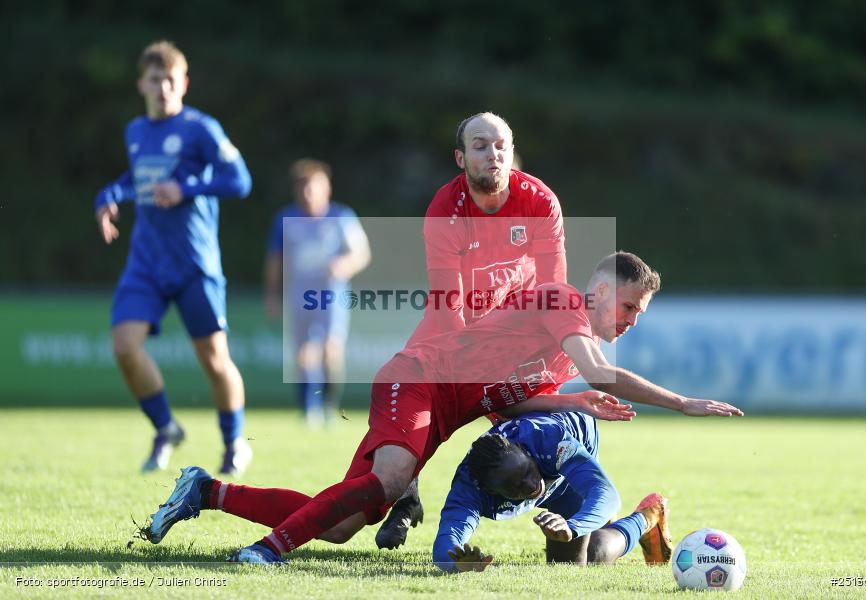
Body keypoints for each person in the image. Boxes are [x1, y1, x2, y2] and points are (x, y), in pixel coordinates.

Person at [141, 251, 743, 564]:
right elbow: (597, 368)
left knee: (350, 523)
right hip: (420, 379)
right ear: (603, 290)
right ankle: (268, 551)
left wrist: (567, 398)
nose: (633, 321)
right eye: (632, 307)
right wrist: (680, 401)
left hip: (443, 407)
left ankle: (207, 492)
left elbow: (502, 400)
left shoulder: (566, 352)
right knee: (392, 479)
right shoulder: (566, 302)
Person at [377, 111, 567, 549]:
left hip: (514, 332)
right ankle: (406, 500)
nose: (494, 153)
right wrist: (471, 366)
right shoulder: (445, 208)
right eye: (481, 146)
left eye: (501, 145)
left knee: (543, 425)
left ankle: (566, 516)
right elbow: (448, 305)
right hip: (451, 326)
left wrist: (523, 352)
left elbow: (552, 290)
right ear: (461, 158)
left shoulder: (539, 200)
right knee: (414, 417)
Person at [93, 40, 253, 475]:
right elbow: (138, 178)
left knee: (213, 359)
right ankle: (166, 429)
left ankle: (234, 440)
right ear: (141, 84)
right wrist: (111, 194)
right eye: (155, 79)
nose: (163, 87)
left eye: (170, 80)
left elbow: (240, 181)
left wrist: (187, 190)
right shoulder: (135, 132)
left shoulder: (201, 128)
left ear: (183, 83)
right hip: (146, 262)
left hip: (194, 263)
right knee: (125, 347)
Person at [434, 411, 670, 573]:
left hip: (573, 452)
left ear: (523, 450)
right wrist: (457, 563)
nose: (530, 485)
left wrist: (573, 526)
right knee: (590, 532)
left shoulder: (549, 441)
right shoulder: (468, 489)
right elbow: (446, 540)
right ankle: (611, 523)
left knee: (588, 557)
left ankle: (648, 516)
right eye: (515, 486)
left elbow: (606, 494)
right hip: (549, 469)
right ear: (489, 490)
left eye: (527, 471)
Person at [264, 159, 371, 426]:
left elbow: (361, 253)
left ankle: (329, 408)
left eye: (313, 187)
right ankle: (308, 409)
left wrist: (343, 265)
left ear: (327, 188)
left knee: (331, 350)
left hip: (331, 295)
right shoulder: (285, 219)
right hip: (299, 294)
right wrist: (272, 295)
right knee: (304, 353)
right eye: (303, 188)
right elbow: (275, 260)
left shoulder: (341, 216)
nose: (308, 193)